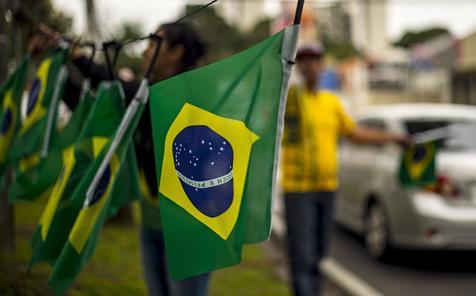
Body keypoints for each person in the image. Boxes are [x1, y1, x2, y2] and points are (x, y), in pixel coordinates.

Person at [61, 23, 210, 296]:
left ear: (176, 53)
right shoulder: (147, 91)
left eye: (154, 43)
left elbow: (125, 90)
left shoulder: (192, 93)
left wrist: (81, 58)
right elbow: (98, 104)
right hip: (152, 221)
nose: (145, 50)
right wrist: (58, 68)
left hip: (190, 229)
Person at [281, 43, 409, 296]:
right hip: (298, 190)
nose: (309, 65)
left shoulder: (332, 102)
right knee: (303, 254)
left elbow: (355, 134)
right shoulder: (289, 100)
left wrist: (392, 137)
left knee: (319, 253)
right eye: (303, 60)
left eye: (314, 60)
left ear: (321, 64)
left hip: (326, 188)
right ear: (299, 66)